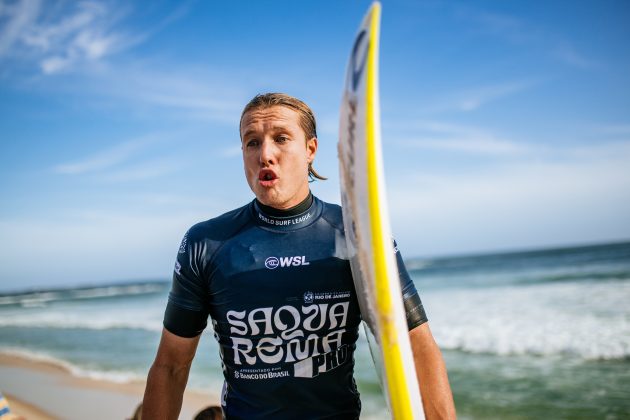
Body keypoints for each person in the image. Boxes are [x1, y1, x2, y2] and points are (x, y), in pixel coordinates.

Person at [142, 93, 456, 419]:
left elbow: (416, 347)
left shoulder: (359, 237)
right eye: (252, 142)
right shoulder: (206, 244)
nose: (265, 154)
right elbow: (170, 367)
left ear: (310, 149)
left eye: (281, 138)